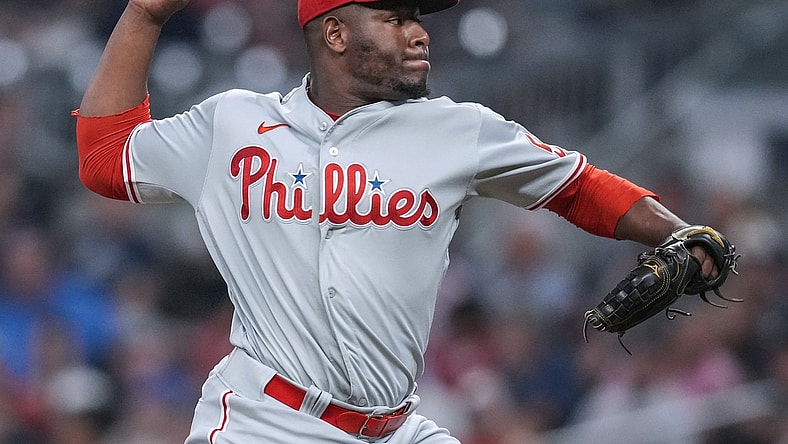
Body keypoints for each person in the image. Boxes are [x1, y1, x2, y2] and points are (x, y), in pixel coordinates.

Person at [72, 0, 722, 442]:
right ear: (334, 34)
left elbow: (578, 187)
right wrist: (146, 13)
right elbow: (105, 158)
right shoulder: (233, 123)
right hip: (265, 420)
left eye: (416, 17)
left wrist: (677, 234)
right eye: (393, 16)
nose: (418, 32)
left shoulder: (456, 129)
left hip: (397, 424)